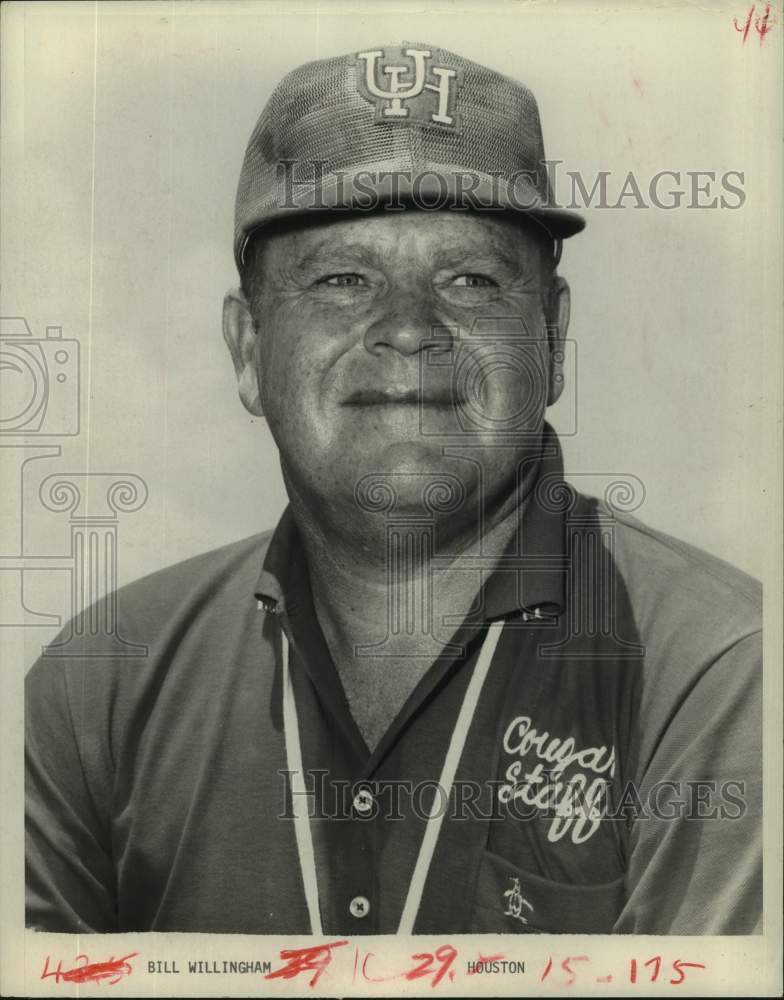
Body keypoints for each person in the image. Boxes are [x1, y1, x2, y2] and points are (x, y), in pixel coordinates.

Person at [25, 42, 761, 936]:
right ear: (249, 349)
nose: (410, 330)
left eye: (471, 280)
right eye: (342, 278)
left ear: (552, 338)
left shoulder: (727, 670)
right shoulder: (95, 683)